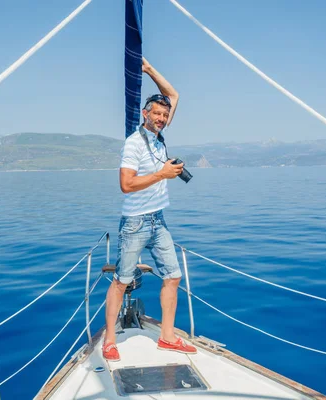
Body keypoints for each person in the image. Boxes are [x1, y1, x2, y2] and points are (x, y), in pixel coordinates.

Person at [102, 58, 197, 361]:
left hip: (159, 220)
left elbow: (174, 95)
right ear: (145, 114)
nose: (160, 117)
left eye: (164, 114)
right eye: (155, 113)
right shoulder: (134, 143)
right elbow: (126, 185)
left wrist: (149, 70)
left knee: (173, 276)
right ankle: (109, 340)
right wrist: (162, 175)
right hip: (135, 223)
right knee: (121, 281)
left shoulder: (159, 138)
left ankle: (167, 338)